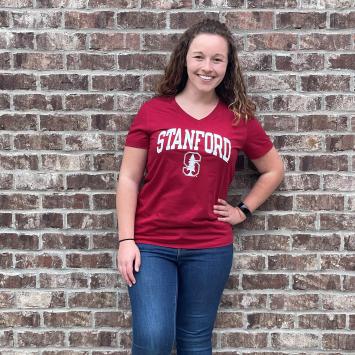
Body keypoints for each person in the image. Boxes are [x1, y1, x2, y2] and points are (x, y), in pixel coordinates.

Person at [116, 19, 285, 355]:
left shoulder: (239, 119)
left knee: (195, 341)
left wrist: (243, 210)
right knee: (153, 340)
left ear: (227, 66)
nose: (207, 67)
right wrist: (126, 241)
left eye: (217, 59)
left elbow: (273, 169)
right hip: (152, 245)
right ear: (185, 59)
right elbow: (129, 178)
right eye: (199, 57)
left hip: (209, 248)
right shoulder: (153, 111)